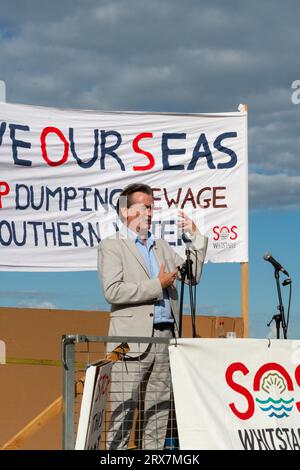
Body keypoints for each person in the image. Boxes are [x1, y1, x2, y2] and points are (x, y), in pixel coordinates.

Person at [98, 183, 208, 450]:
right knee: (124, 408)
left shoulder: (160, 246)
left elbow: (190, 276)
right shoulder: (112, 246)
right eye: (145, 207)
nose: (150, 212)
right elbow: (112, 291)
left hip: (165, 337)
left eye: (152, 207)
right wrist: (157, 284)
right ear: (126, 211)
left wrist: (196, 238)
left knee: (159, 411)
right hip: (129, 341)